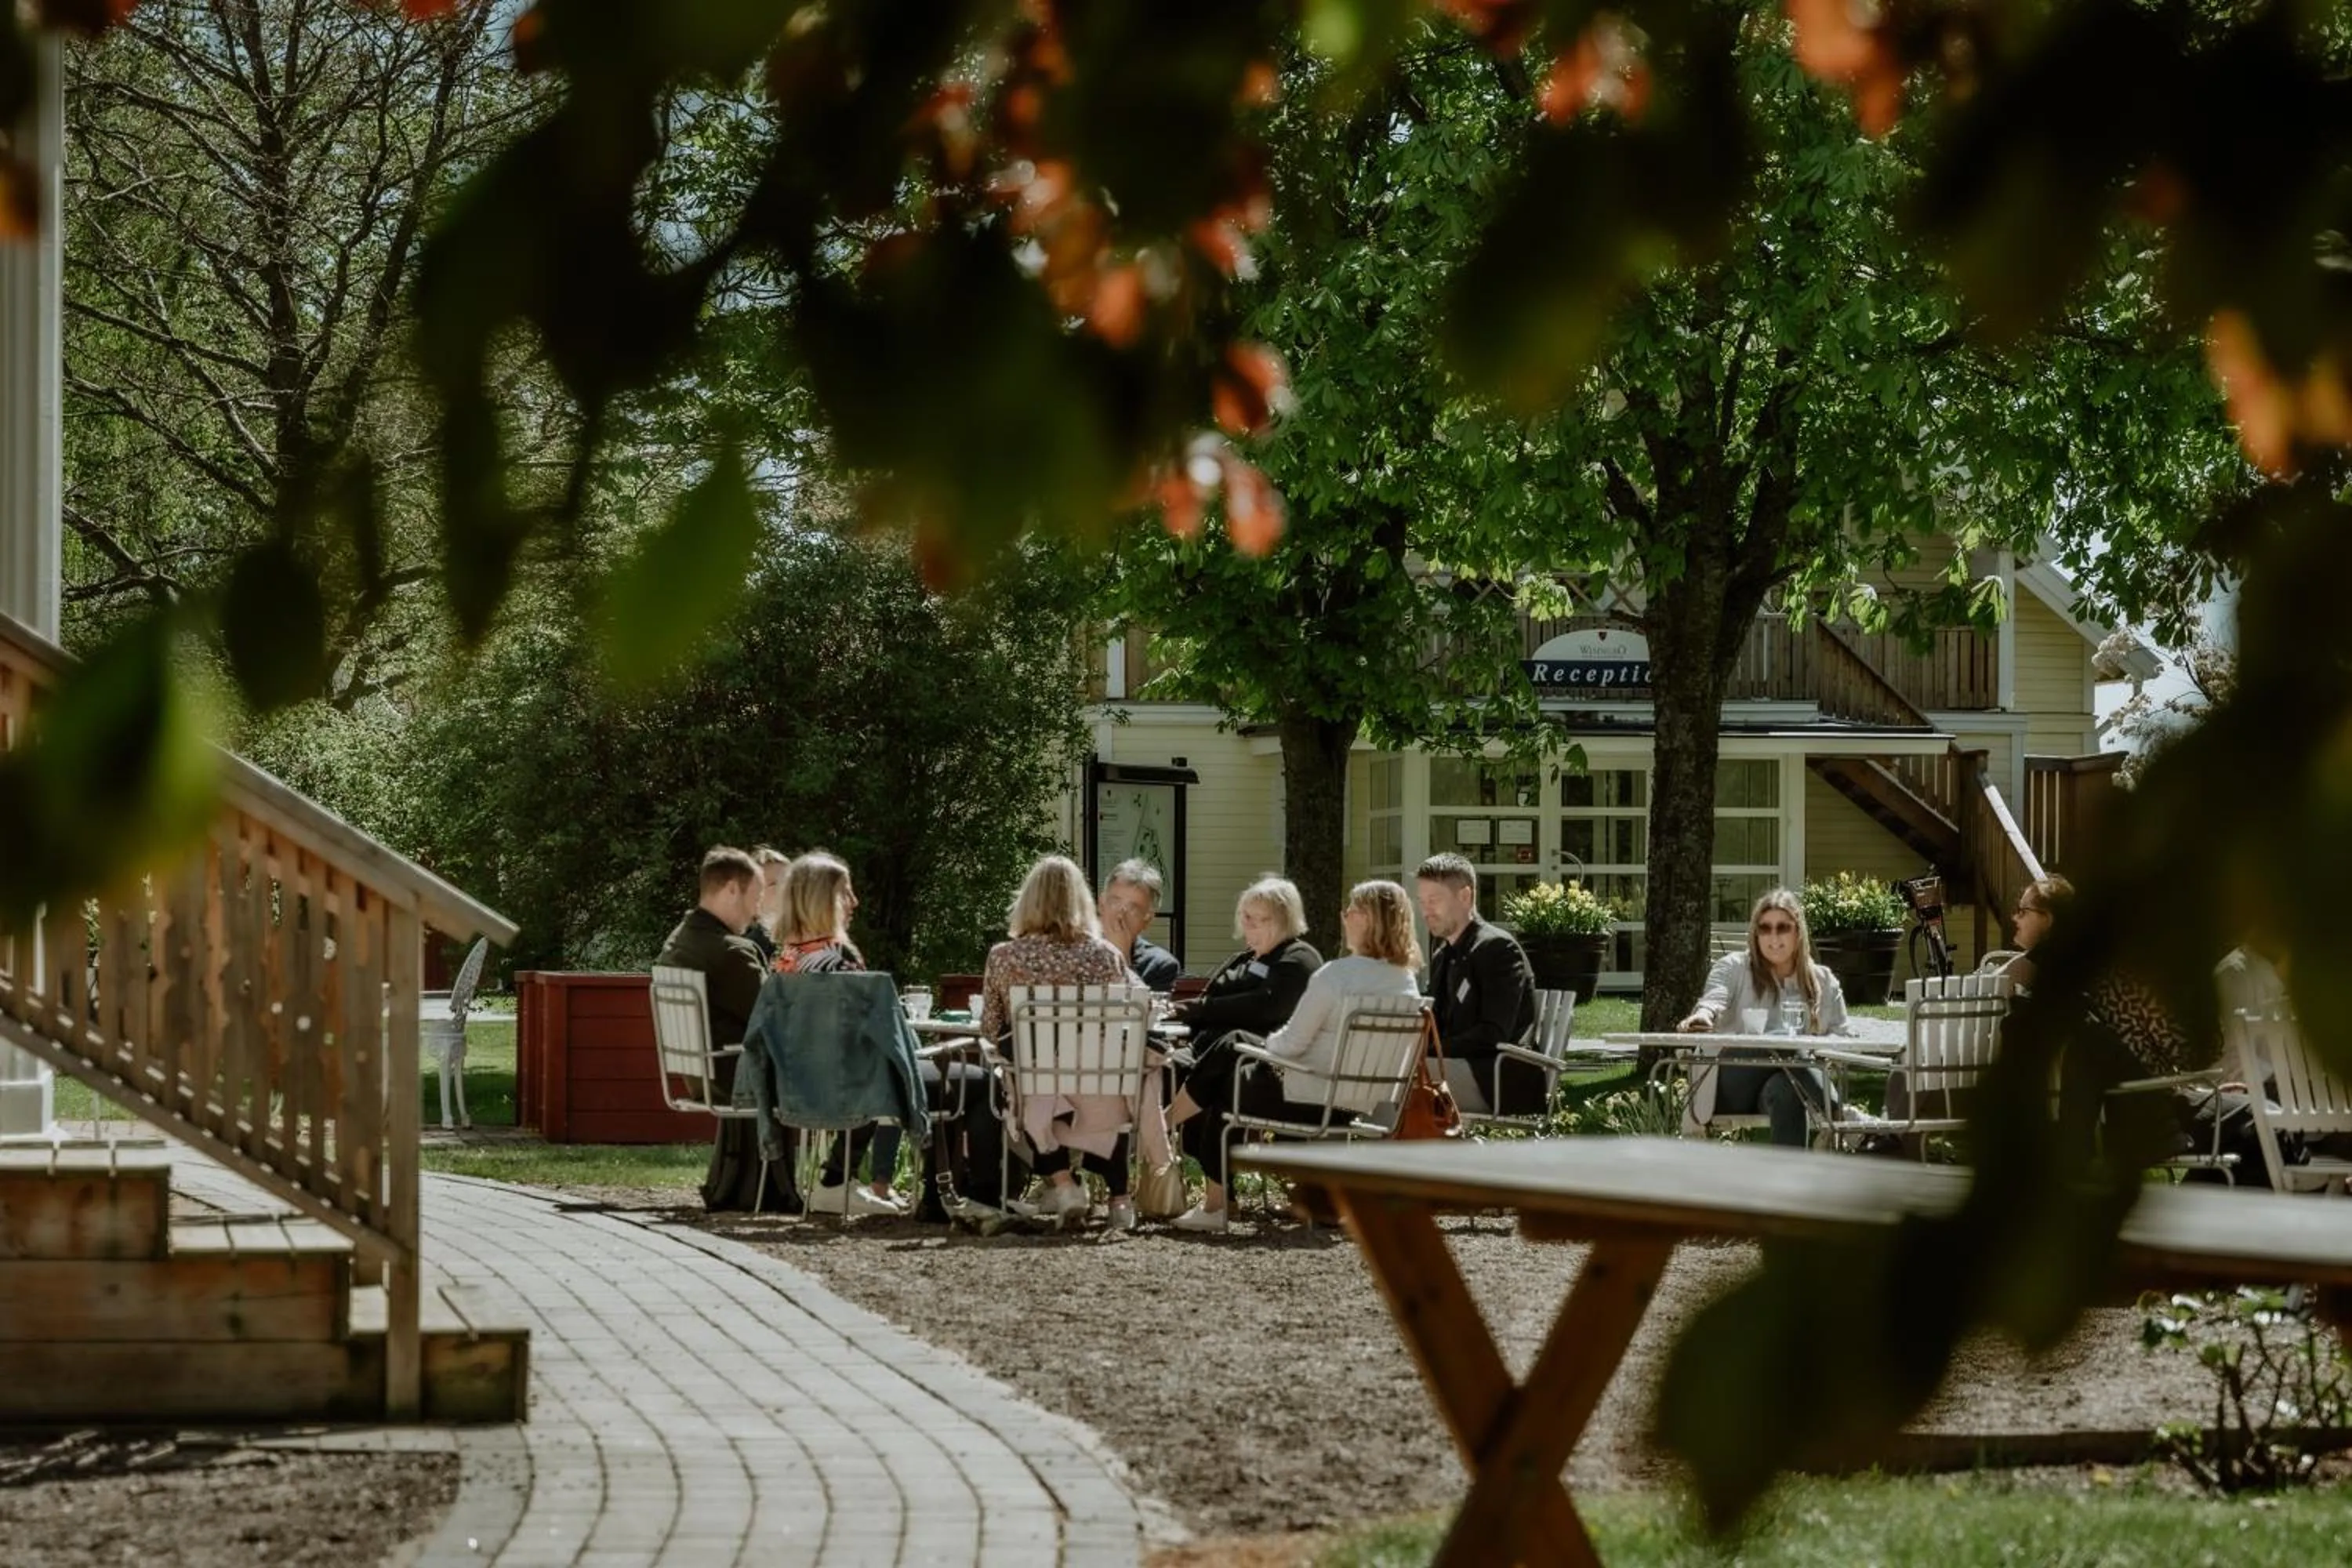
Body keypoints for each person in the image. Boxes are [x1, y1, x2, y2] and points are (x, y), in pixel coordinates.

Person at [1165, 880, 1415, 1233]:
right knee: (1233, 1052)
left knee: (1232, 1057)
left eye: (1351, 911)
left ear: (1370, 920)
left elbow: (1290, 1045)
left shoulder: (1336, 975)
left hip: (1310, 1096)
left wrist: (1258, 1047)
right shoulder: (1406, 982)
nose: (1344, 918)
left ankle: (1209, 1194)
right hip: (1358, 1104)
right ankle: (1168, 1132)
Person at [980, 855, 1146, 1227]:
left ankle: (1062, 1183)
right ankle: (1120, 1201)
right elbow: (1128, 1016)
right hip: (1100, 1084)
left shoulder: (1005, 957)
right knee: (1102, 1082)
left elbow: (990, 1028)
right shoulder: (1106, 955)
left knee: (1028, 1078)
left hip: (1039, 1088)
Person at [657, 846, 798, 1212]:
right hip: (734, 1073)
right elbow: (779, 1020)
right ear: (732, 890)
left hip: (702, 1071)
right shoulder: (731, 951)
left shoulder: (680, 939)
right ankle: (838, 1179)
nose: (757, 910)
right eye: (755, 897)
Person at [774, 851, 905, 1217]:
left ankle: (845, 1179)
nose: (855, 902)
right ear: (822, 900)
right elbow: (866, 1031)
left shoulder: (787, 956)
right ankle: (839, 1180)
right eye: (846, 893)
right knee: (909, 1074)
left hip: (797, 1078)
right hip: (842, 1082)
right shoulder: (836, 956)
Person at [1678, 887, 1849, 1147]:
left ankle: (1788, 1183)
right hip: (1729, 1085)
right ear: (1755, 933)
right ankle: (1845, 1120)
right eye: (1765, 928)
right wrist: (1703, 1015)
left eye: (1783, 928)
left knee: (1787, 1089)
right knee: (1783, 1042)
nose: (1774, 937)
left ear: (1798, 932)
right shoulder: (1733, 967)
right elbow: (1714, 999)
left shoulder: (1823, 981)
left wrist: (1817, 1051)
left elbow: (1843, 1038)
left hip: (1791, 1082)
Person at [1414, 854, 1537, 1116]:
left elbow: (1493, 1034)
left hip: (1497, 1076)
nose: (1425, 911)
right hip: (1458, 1065)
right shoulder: (1443, 954)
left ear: (1465, 897)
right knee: (1380, 1068)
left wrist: (1431, 1050)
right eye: (1422, 902)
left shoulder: (1498, 949)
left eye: (1434, 901)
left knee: (1394, 1077)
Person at [1099, 859, 1182, 993]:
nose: (1120, 915)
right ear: (1101, 904)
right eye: (1115, 902)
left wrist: (1122, 958)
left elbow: (1142, 1011)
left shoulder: (1160, 966)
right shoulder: (1076, 951)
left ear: (1147, 918)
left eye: (1133, 908)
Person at [743, 844, 792, 964]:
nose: (785, 888)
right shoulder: (749, 951)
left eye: (789, 881)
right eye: (775, 884)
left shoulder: (816, 939)